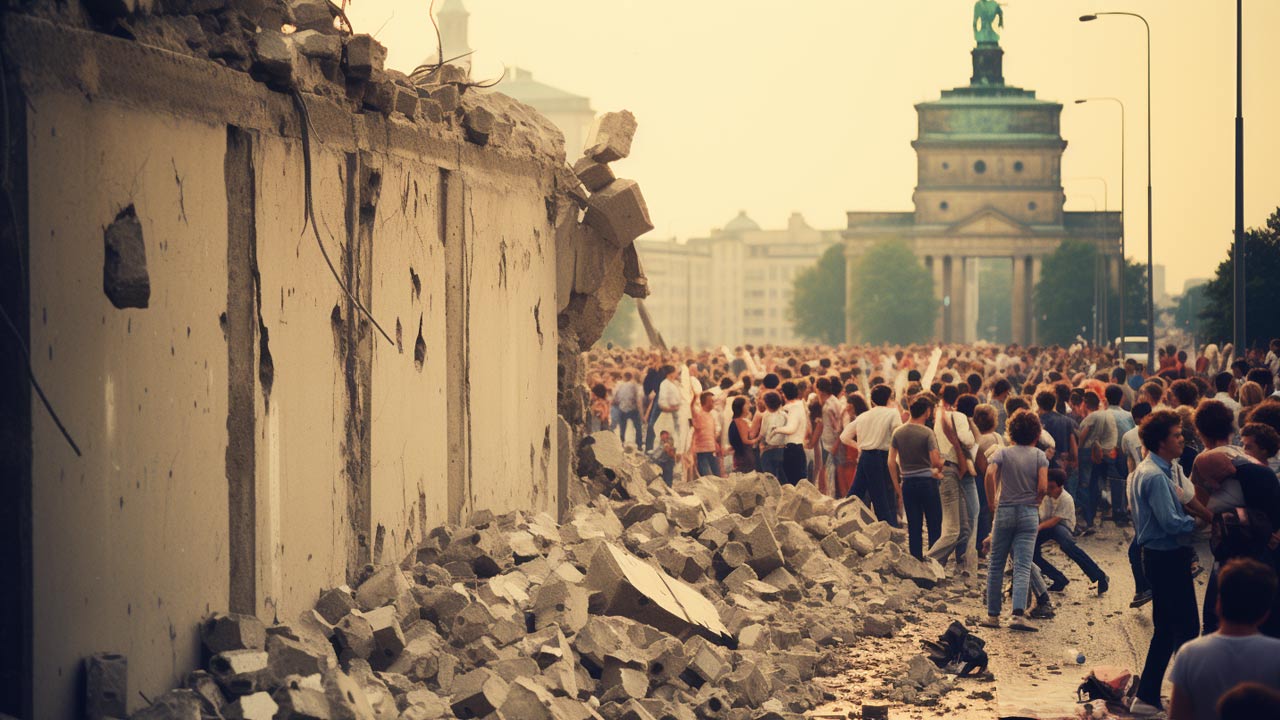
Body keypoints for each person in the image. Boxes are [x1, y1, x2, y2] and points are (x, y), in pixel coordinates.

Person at [1129, 409, 1203, 716]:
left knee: (1176, 628)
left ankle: (1169, 693)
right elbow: (1172, 523)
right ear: (1161, 442)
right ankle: (1151, 697)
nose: (1182, 439)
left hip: (1163, 557)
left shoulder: (1159, 469)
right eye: (1176, 435)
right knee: (1179, 628)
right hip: (1166, 556)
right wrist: (1199, 524)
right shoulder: (1155, 476)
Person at [1167, 560, 1280, 720]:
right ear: (1265, 614)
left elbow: (1178, 716)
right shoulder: (1276, 655)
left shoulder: (1190, 655)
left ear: (1218, 604)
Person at [982, 408, 1049, 632]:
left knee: (996, 564)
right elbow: (1042, 486)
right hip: (1029, 512)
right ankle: (1018, 615)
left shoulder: (1003, 453)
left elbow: (990, 474)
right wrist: (1036, 501)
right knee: (1022, 564)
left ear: (1010, 431)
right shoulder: (1040, 456)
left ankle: (993, 616)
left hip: (1004, 510)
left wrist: (992, 502)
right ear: (1036, 434)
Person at [1034, 469, 1109, 594]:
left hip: (1062, 527)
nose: (1049, 489)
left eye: (1052, 487)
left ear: (1060, 486)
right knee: (1032, 553)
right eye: (1048, 486)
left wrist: (1037, 528)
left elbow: (1054, 521)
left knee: (1068, 547)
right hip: (1045, 527)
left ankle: (1099, 576)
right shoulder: (1044, 494)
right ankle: (1058, 579)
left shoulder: (1066, 498)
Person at [928, 384, 976, 567]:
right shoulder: (959, 417)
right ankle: (927, 563)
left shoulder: (939, 417)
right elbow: (967, 440)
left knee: (964, 528)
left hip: (947, 470)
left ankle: (935, 566)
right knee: (953, 530)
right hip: (951, 471)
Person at [841, 384, 903, 526]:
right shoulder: (892, 413)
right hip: (882, 456)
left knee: (857, 491)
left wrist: (859, 447)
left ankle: (842, 518)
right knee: (884, 496)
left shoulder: (864, 415)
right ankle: (889, 528)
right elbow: (898, 435)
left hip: (865, 457)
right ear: (889, 398)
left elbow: (844, 436)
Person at [890, 396, 943, 560]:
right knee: (934, 523)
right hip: (927, 483)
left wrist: (898, 487)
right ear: (927, 412)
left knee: (914, 525)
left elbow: (891, 462)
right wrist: (942, 464)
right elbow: (934, 461)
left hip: (908, 483)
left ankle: (916, 559)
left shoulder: (898, 432)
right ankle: (934, 560)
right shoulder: (927, 433)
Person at [1077, 390, 1118, 534]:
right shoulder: (1107, 414)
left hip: (1088, 453)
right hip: (1105, 453)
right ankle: (1095, 514)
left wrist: (1077, 450)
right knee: (1096, 485)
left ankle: (1088, 520)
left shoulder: (1092, 416)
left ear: (1085, 403)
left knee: (1084, 485)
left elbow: (1083, 435)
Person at [768, 381, 808, 485]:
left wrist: (776, 430)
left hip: (793, 449)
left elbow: (791, 429)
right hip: (797, 448)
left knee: (794, 483)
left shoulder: (795, 408)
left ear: (784, 394)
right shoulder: (799, 405)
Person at [690, 391, 721, 478]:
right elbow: (691, 408)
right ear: (705, 402)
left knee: (717, 476)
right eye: (711, 401)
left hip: (711, 450)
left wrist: (716, 445)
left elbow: (713, 433)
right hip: (701, 452)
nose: (713, 403)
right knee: (708, 477)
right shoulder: (698, 414)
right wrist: (694, 398)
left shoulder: (711, 416)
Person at [758, 391, 787, 483]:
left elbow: (762, 434)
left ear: (767, 404)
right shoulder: (784, 415)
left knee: (770, 480)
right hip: (782, 450)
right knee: (783, 478)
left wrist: (761, 446)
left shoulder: (766, 416)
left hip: (769, 450)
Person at [612, 370, 644, 446]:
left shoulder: (620, 385)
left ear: (624, 377)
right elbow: (637, 398)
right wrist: (641, 413)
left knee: (622, 427)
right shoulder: (634, 385)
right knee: (637, 427)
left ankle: (622, 442)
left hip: (622, 409)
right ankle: (639, 444)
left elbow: (615, 398)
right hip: (633, 408)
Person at [727, 396, 758, 472]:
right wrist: (759, 438)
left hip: (740, 455)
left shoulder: (736, 421)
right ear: (741, 407)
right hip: (745, 455)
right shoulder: (741, 422)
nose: (750, 406)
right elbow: (745, 441)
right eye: (747, 404)